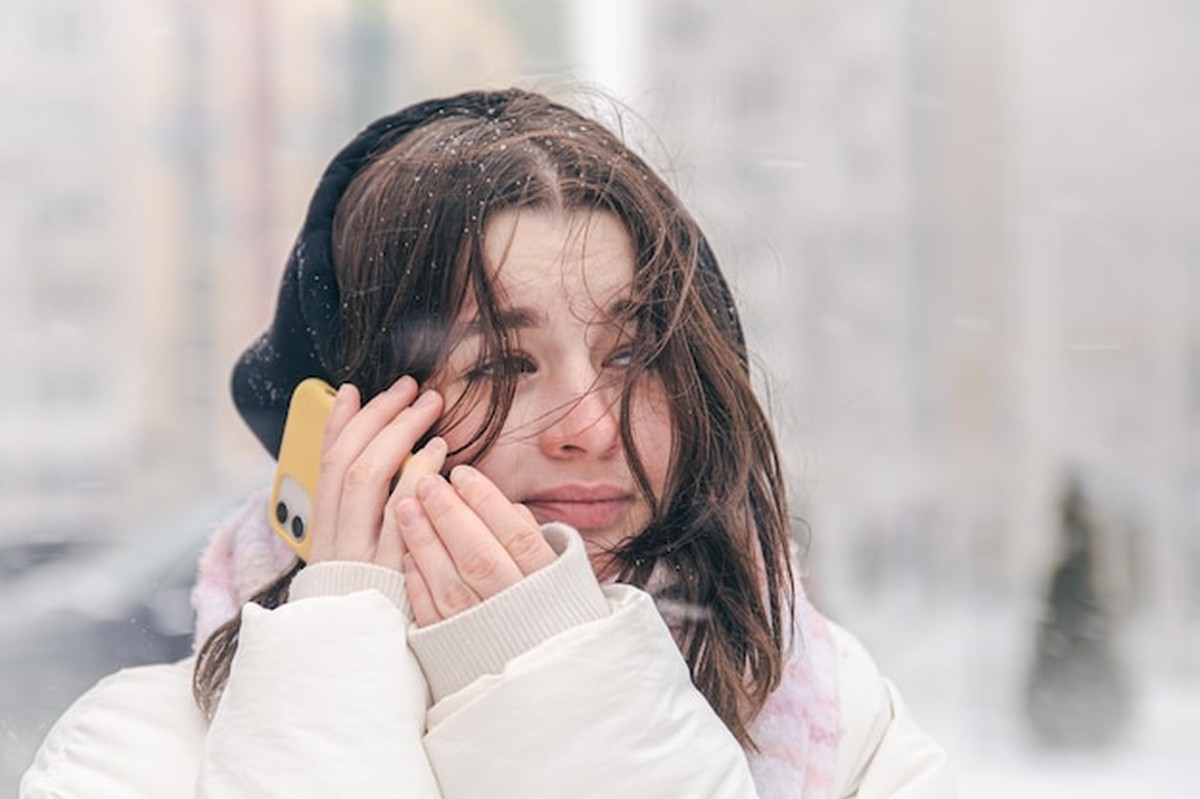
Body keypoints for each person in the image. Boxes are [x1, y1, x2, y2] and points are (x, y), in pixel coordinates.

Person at [21, 88, 954, 798]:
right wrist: (335, 651)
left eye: (635, 352)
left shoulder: (835, 725)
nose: (591, 428)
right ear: (349, 429)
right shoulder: (136, 754)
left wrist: (563, 685)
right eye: (503, 364)